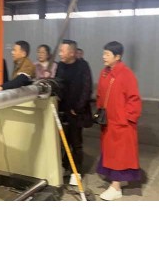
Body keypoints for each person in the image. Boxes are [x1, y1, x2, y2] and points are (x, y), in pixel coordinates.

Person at [95, 41, 142, 201]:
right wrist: (100, 111)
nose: (104, 57)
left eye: (107, 54)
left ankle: (115, 187)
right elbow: (100, 94)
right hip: (108, 122)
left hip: (121, 124)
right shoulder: (105, 73)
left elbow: (134, 99)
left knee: (119, 156)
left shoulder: (126, 74)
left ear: (117, 56)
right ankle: (118, 181)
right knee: (111, 153)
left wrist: (127, 118)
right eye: (104, 53)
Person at [55, 39, 93, 181]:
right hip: (62, 112)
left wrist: (78, 108)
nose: (60, 54)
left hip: (76, 113)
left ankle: (76, 173)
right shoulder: (60, 66)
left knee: (76, 143)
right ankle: (65, 166)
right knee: (63, 142)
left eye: (62, 51)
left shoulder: (83, 66)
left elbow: (87, 89)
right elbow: (57, 85)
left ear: (72, 53)